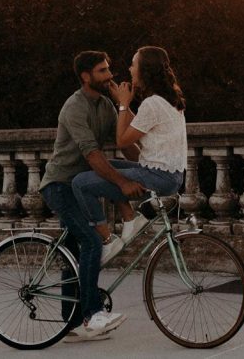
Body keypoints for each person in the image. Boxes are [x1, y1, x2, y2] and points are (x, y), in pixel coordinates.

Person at [39, 51, 146, 341]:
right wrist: (123, 183)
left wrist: (146, 169)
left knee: (74, 253)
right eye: (102, 71)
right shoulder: (74, 107)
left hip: (82, 184)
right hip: (60, 186)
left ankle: (70, 323)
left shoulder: (106, 106)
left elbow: (125, 143)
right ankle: (92, 314)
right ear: (86, 76)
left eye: (108, 69)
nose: (109, 75)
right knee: (89, 242)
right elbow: (93, 154)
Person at [70, 46, 187, 261]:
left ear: (145, 70)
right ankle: (130, 218)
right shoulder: (166, 99)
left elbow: (122, 140)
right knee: (104, 168)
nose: (130, 69)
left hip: (157, 177)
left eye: (134, 64)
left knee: (80, 182)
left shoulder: (152, 104)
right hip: (168, 175)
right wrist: (121, 103)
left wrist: (123, 104)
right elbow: (136, 126)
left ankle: (107, 241)